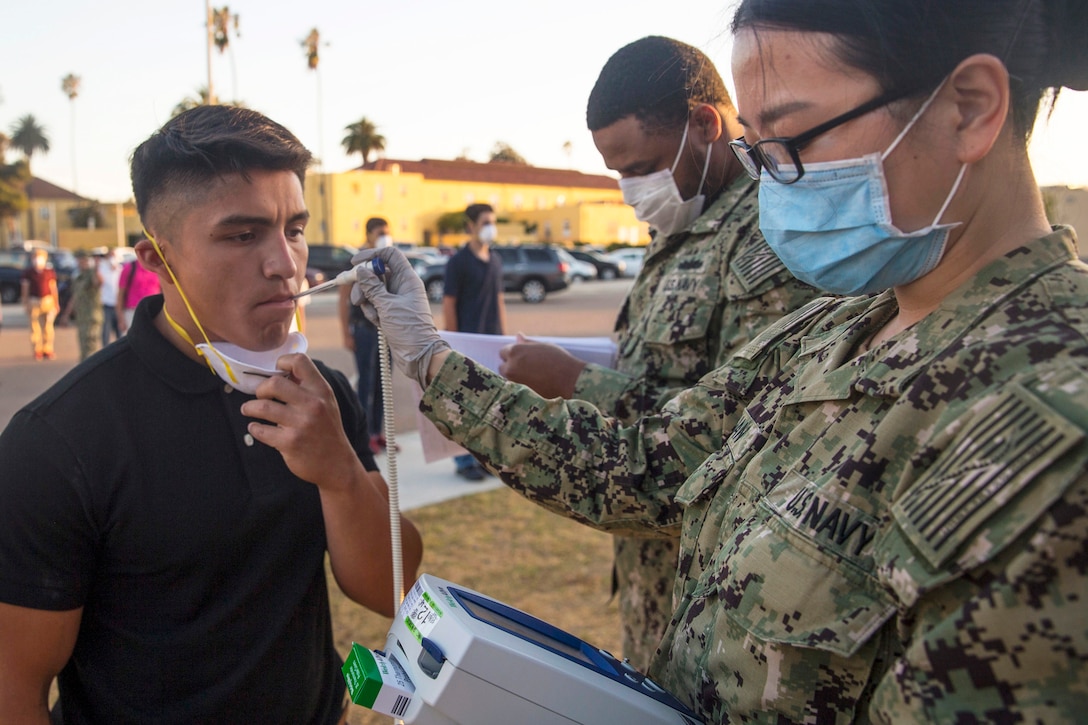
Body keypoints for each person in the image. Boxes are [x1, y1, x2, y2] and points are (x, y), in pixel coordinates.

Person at [353, 0, 1088, 720]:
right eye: (758, 149)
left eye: (794, 137)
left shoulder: (1053, 429)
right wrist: (427, 357)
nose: (771, 179)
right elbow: (647, 466)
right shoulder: (833, 328)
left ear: (969, 108)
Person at [0, 105, 423, 724]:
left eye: (295, 229)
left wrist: (339, 472)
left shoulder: (320, 392)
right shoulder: (61, 440)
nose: (285, 263)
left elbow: (395, 589)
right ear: (156, 260)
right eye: (242, 235)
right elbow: (16, 689)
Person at [499, 36, 820, 671]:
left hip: (719, 600)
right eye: (617, 174)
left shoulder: (770, 236)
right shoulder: (680, 228)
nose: (629, 190)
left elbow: (735, 436)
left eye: (640, 167)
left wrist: (575, 382)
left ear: (704, 124)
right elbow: (658, 371)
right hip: (654, 585)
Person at [442, 202, 506, 481]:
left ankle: (481, 458)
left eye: (493, 222)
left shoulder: (495, 260)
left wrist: (504, 338)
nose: (490, 228)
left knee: (487, 405)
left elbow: (499, 300)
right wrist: (455, 343)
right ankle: (463, 460)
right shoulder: (457, 263)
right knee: (463, 405)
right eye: (485, 222)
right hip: (466, 343)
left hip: (491, 344)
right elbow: (449, 304)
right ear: (470, 226)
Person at [339, 217, 395, 455]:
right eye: (381, 232)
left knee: (384, 384)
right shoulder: (356, 262)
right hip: (363, 330)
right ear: (369, 234)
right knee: (366, 384)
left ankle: (378, 433)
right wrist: (346, 333)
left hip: (386, 331)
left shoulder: (388, 260)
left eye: (387, 232)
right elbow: (343, 299)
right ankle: (364, 437)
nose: (385, 236)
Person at [59, 249, 103, 361]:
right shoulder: (78, 277)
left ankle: (92, 371)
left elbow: (98, 283)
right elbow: (74, 297)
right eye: (78, 260)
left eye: (82, 260)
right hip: (81, 317)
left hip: (92, 316)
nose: (80, 262)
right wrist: (66, 315)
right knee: (83, 346)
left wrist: (96, 268)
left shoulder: (91, 274)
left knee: (91, 346)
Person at [20, 247, 59, 361]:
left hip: (48, 300)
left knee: (48, 326)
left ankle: (48, 349)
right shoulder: (28, 273)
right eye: (36, 257)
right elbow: (25, 288)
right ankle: (37, 350)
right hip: (34, 301)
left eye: (40, 257)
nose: (38, 260)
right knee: (34, 326)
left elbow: (53, 288)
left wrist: (56, 303)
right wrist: (25, 302)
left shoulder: (49, 272)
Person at [116, 244, 161, 335]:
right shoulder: (130, 268)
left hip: (153, 313)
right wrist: (121, 318)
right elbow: (120, 294)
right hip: (132, 313)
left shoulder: (157, 268)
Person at [97, 247, 122, 346]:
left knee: (119, 332)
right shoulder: (102, 269)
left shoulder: (120, 269)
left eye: (114, 256)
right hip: (106, 304)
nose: (112, 258)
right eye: (110, 256)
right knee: (105, 331)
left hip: (118, 305)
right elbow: (99, 282)